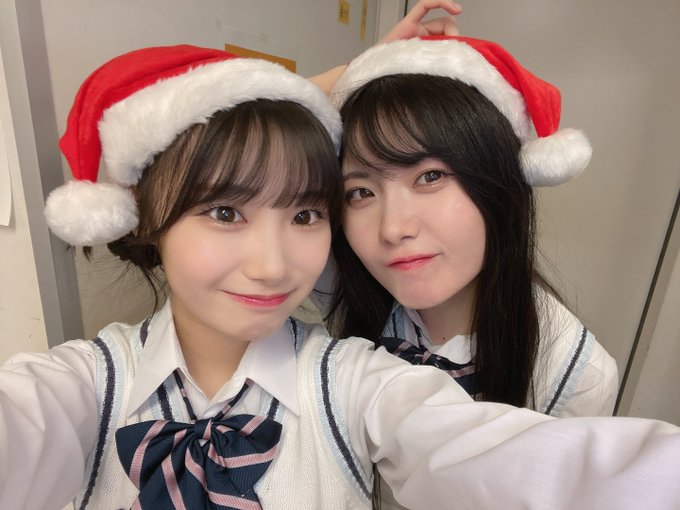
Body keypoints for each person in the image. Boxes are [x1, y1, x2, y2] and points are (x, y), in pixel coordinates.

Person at [2, 44, 680, 510]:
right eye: (226, 212)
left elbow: (544, 467)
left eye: (305, 213)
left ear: (501, 179)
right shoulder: (87, 384)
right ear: (144, 218)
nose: (273, 267)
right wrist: (356, 72)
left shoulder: (354, 378)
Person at [323, 35, 620, 507]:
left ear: (500, 182)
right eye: (361, 192)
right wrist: (354, 73)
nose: (393, 228)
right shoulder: (339, 290)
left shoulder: (575, 375)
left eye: (430, 176)